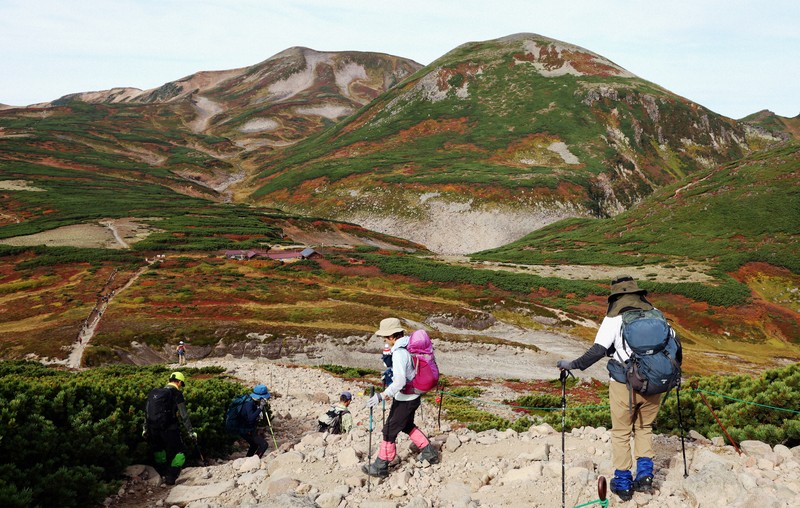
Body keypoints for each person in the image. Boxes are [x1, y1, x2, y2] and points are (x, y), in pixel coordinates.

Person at [556, 275, 671, 501]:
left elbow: (598, 350)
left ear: (615, 297)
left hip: (624, 385)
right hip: (655, 383)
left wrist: (572, 365)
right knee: (644, 427)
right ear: (638, 294)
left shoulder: (614, 318)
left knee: (621, 432)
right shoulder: (657, 314)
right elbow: (673, 347)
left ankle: (623, 483)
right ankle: (645, 477)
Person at [362, 318, 438, 477]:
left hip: (406, 398)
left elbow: (400, 382)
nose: (384, 340)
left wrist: (382, 396)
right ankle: (429, 453)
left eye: (385, 337)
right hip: (412, 395)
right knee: (406, 425)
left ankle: (381, 465)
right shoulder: (408, 345)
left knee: (389, 430)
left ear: (391, 336)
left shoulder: (399, 353)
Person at [143, 372, 197, 485]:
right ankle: (171, 476)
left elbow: (147, 411)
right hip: (169, 428)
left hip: (153, 427)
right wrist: (190, 432)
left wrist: (145, 428)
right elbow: (184, 415)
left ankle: (161, 473)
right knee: (181, 451)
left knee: (159, 449)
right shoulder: (176, 393)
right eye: (182, 384)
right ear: (179, 382)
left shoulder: (155, 392)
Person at [235, 384, 271, 458]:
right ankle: (255, 460)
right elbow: (251, 418)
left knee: (254, 445)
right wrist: (260, 408)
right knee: (264, 445)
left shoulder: (251, 400)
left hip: (244, 427)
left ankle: (247, 460)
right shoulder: (249, 403)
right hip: (245, 429)